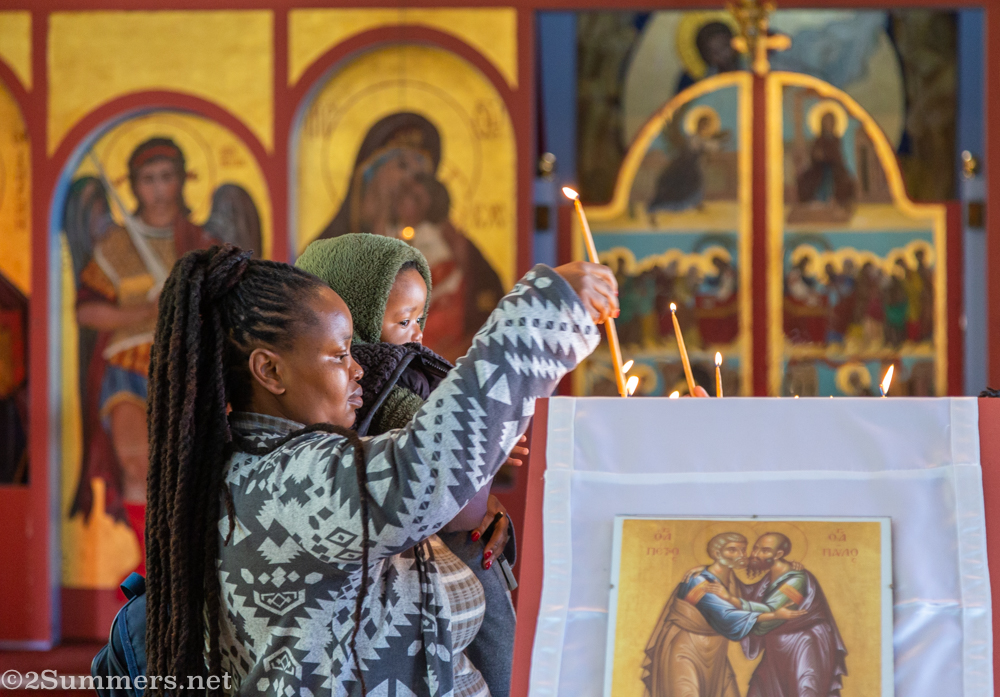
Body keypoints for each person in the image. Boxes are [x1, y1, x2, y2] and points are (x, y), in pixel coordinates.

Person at [143, 244, 619, 696]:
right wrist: (546, 310)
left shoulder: (275, 466)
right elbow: (426, 468)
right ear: (270, 371)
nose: (358, 370)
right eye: (339, 354)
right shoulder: (288, 484)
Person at [295, 233, 523, 697]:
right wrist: (481, 452)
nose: (417, 333)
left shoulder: (406, 370)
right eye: (403, 321)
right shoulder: (374, 386)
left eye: (420, 318)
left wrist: (484, 487)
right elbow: (438, 453)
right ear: (355, 313)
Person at [70, 138, 216, 573]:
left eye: (166, 177)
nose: (157, 188)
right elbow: (85, 310)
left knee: (186, 468)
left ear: (182, 180)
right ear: (134, 186)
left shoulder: (202, 242)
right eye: (148, 179)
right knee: (136, 463)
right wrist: (144, 311)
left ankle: (181, 559)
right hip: (127, 365)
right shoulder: (115, 244)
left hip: (186, 366)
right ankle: (151, 562)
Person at [643, 533, 806, 697]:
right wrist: (774, 615)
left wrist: (785, 566)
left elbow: (750, 598)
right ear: (716, 554)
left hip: (716, 653)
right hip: (686, 649)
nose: (741, 555)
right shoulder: (697, 581)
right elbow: (727, 616)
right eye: (732, 550)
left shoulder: (732, 580)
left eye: (743, 550)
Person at [734, 534, 848, 697]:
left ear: (779, 554)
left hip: (803, 645)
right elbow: (750, 595)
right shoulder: (770, 577)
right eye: (755, 548)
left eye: (765, 551)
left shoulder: (796, 581)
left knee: (804, 690)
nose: (756, 554)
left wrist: (735, 606)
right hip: (777, 648)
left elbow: (769, 616)